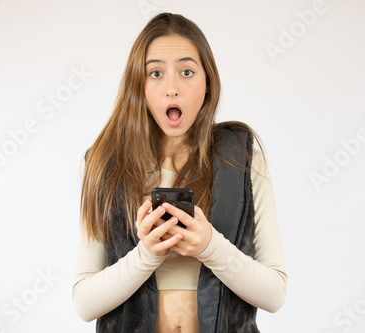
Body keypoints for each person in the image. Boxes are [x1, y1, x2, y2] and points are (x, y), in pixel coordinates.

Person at [72, 12, 287, 333]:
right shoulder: (105, 165)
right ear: (138, 85)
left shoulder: (242, 159)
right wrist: (147, 254)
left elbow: (275, 294)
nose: (172, 88)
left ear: (207, 83)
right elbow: (84, 303)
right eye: (155, 73)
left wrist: (209, 245)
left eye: (186, 71)